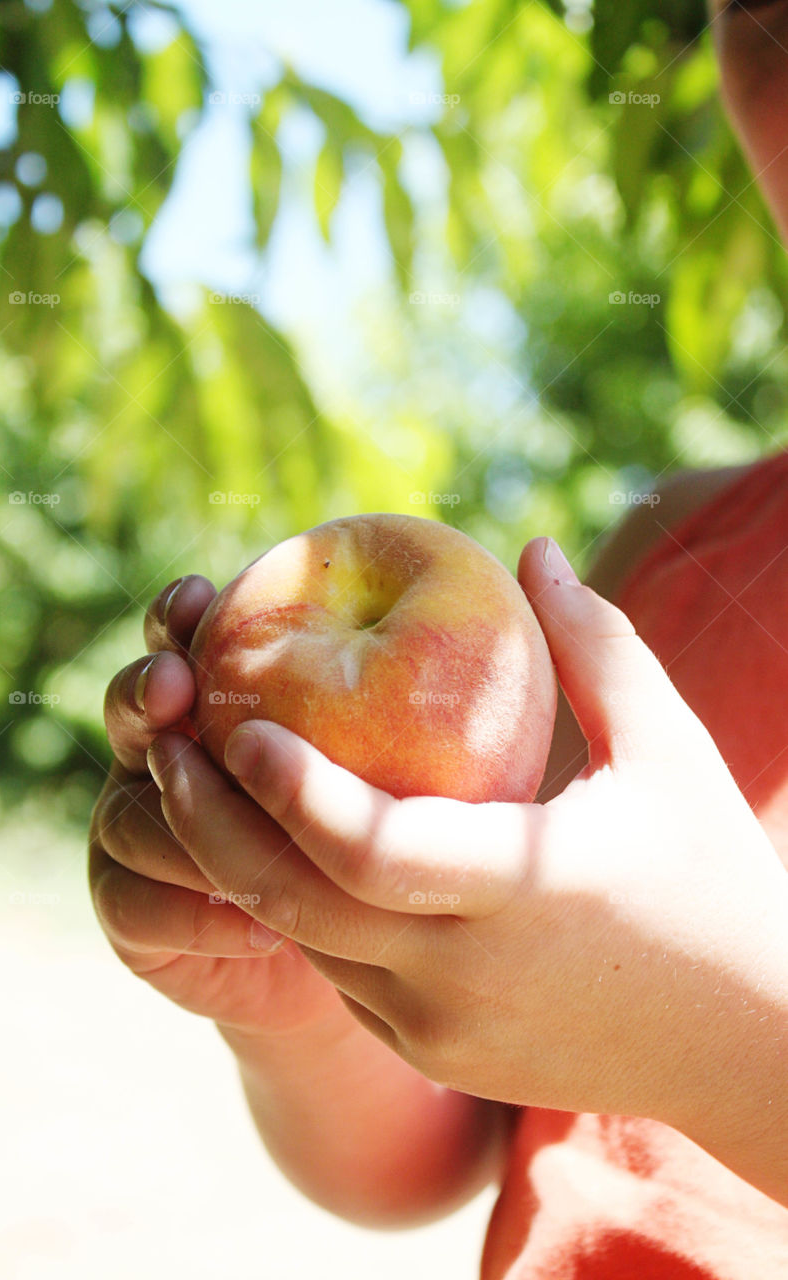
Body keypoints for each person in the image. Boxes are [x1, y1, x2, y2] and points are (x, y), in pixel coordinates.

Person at [88, 2, 788, 1274]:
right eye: (763, 11)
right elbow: (448, 1148)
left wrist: (731, 1044)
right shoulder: (666, 569)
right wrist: (306, 994)